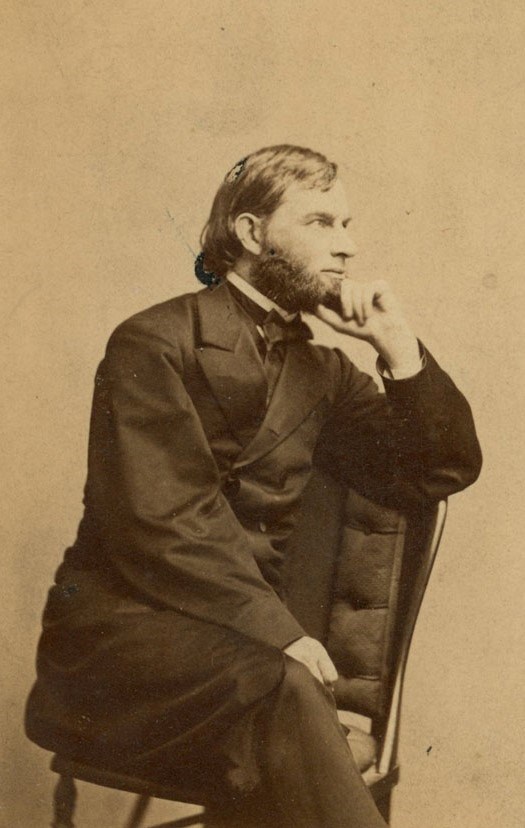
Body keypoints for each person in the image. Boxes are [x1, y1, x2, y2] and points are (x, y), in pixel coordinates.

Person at [25, 145, 482, 827]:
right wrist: (281, 634)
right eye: (323, 223)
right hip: (119, 646)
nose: (348, 247)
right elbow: (164, 521)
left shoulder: (323, 373)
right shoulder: (154, 341)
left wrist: (396, 346)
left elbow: (434, 470)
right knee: (285, 694)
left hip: (241, 653)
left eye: (348, 224)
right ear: (249, 232)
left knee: (281, 713)